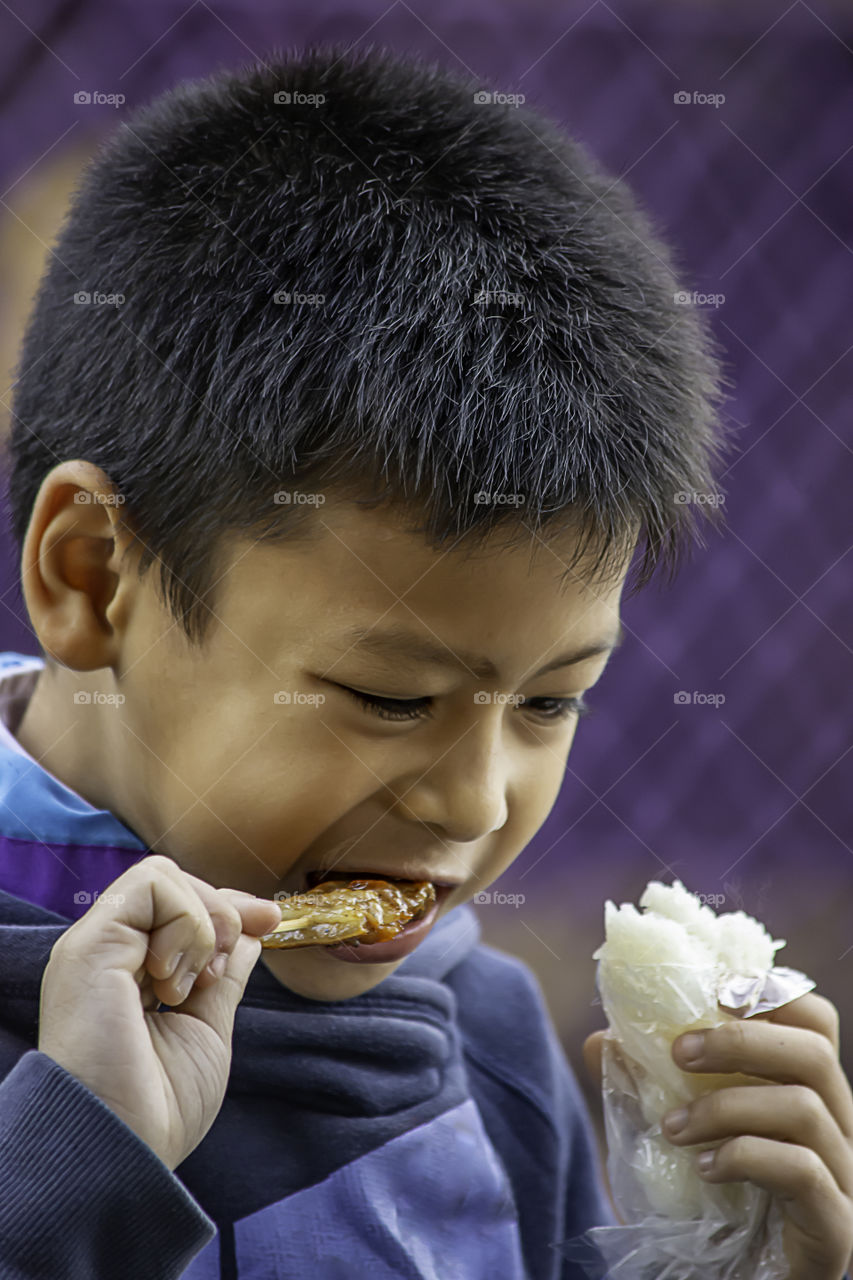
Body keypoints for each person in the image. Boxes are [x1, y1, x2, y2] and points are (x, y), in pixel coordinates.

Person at [0, 41, 850, 1280]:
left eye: (553, 700)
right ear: (92, 577)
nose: (475, 801)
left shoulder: (484, 1042)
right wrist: (76, 1169)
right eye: (390, 695)